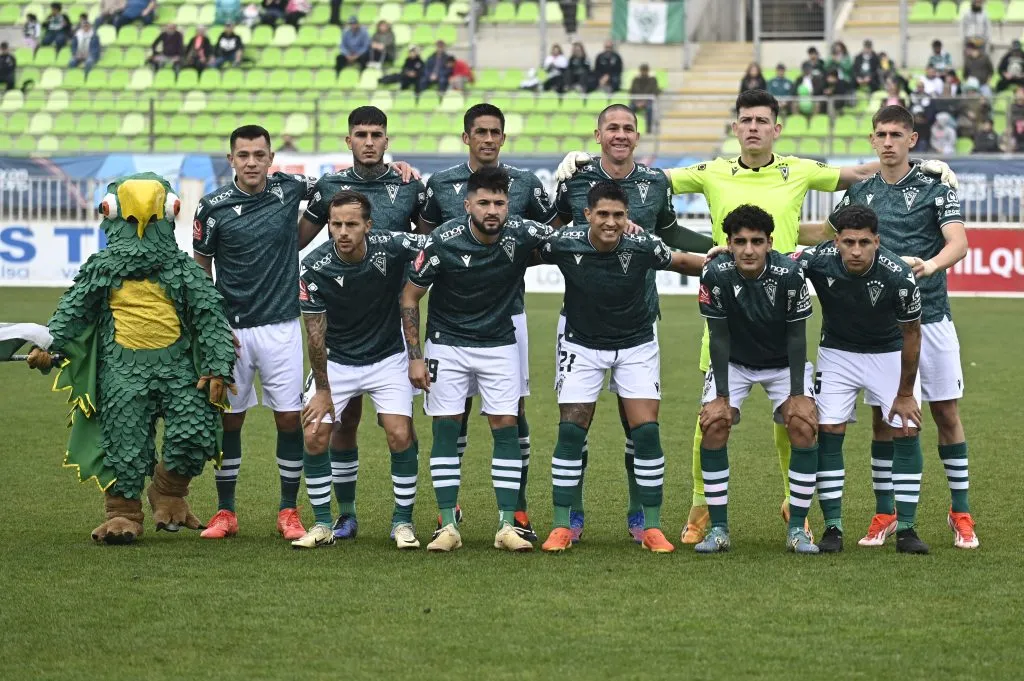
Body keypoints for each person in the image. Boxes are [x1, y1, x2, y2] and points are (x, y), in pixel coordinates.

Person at [552, 88, 958, 545]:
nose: (753, 127)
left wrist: (927, 167)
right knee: (710, 415)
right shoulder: (710, 171)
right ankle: (701, 508)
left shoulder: (799, 169)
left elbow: (867, 170)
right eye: (745, 120)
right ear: (735, 127)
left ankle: (796, 510)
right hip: (726, 306)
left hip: (783, 307)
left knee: (795, 418)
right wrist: (584, 162)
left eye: (762, 121)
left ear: (776, 128)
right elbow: (642, 177)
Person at [554, 105, 714, 544]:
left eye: (627, 129)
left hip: (639, 318)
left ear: (637, 137)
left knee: (638, 426)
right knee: (575, 423)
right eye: (612, 128)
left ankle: (640, 516)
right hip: (581, 323)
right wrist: (558, 179)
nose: (619, 135)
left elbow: (673, 236)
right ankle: (572, 515)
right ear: (598, 134)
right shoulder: (576, 178)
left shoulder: (655, 182)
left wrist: (722, 246)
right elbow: (550, 233)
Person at [824, 105, 976, 549]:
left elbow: (959, 242)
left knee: (946, 413)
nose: (887, 142)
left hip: (932, 315)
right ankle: (885, 512)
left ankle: (960, 511)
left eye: (896, 134)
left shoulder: (935, 187)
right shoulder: (860, 193)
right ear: (872, 141)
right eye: (880, 134)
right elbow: (826, 235)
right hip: (882, 326)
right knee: (885, 419)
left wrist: (929, 265)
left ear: (911, 139)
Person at [420, 104, 558, 541]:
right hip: (452, 320)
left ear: (503, 137)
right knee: (451, 412)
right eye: (479, 131)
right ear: (466, 137)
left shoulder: (525, 184)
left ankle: (516, 509)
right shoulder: (440, 185)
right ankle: (450, 508)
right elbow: (422, 238)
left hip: (508, 315)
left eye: (495, 132)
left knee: (512, 412)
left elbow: (549, 236)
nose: (487, 139)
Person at [298, 106, 428, 539]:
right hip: (341, 338)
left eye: (376, 134)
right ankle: (340, 516)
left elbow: (433, 239)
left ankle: (403, 519)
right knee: (335, 425)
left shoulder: (408, 184)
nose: (369, 141)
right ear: (348, 140)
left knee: (398, 430)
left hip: (391, 331)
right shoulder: (328, 188)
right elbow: (294, 237)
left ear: (387, 140)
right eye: (360, 134)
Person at [191, 125, 319, 542]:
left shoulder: (290, 188)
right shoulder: (212, 208)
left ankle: (288, 511)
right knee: (230, 422)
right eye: (242, 155)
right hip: (232, 332)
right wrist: (212, 327)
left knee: (288, 420)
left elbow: (338, 186)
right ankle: (225, 512)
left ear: (270, 159)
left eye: (258, 154)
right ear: (231, 160)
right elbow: (200, 271)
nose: (251, 162)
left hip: (282, 327)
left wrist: (400, 168)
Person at [794, 205, 928, 554]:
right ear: (836, 241)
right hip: (837, 354)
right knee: (830, 430)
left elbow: (912, 334)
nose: (856, 250)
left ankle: (907, 529)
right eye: (848, 242)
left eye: (864, 242)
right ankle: (833, 528)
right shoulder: (818, 259)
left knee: (906, 427)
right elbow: (774, 261)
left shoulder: (898, 274)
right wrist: (725, 253)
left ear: (877, 242)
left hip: (888, 353)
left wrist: (905, 393)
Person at [693, 204, 817, 555]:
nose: (749, 249)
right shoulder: (715, 274)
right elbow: (718, 336)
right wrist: (720, 395)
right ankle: (717, 528)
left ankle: (798, 529)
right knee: (714, 422)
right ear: (729, 244)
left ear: (770, 243)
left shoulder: (790, 274)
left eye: (757, 241)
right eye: (741, 241)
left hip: (782, 362)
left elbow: (797, 337)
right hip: (735, 362)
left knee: (804, 423)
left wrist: (797, 394)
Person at [629, 63, 661, 132]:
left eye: (645, 70)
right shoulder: (635, 80)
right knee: (629, 109)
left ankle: (648, 129)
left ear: (648, 71)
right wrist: (636, 102)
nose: (643, 72)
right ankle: (630, 128)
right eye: (642, 70)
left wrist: (644, 102)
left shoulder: (653, 80)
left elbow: (655, 92)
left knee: (649, 109)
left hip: (648, 101)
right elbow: (631, 92)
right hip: (636, 101)